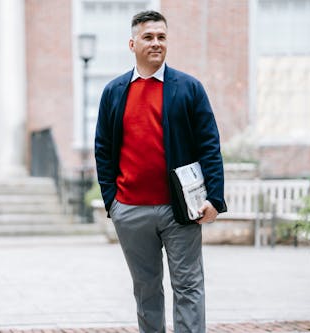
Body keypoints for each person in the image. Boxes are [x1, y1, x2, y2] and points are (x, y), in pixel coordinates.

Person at [94, 10, 227, 333]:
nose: (156, 43)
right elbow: (103, 149)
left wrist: (215, 199)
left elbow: (209, 145)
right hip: (131, 211)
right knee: (146, 290)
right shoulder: (114, 92)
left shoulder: (189, 88)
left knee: (189, 287)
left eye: (161, 37)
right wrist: (113, 202)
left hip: (180, 211)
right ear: (132, 43)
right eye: (148, 37)